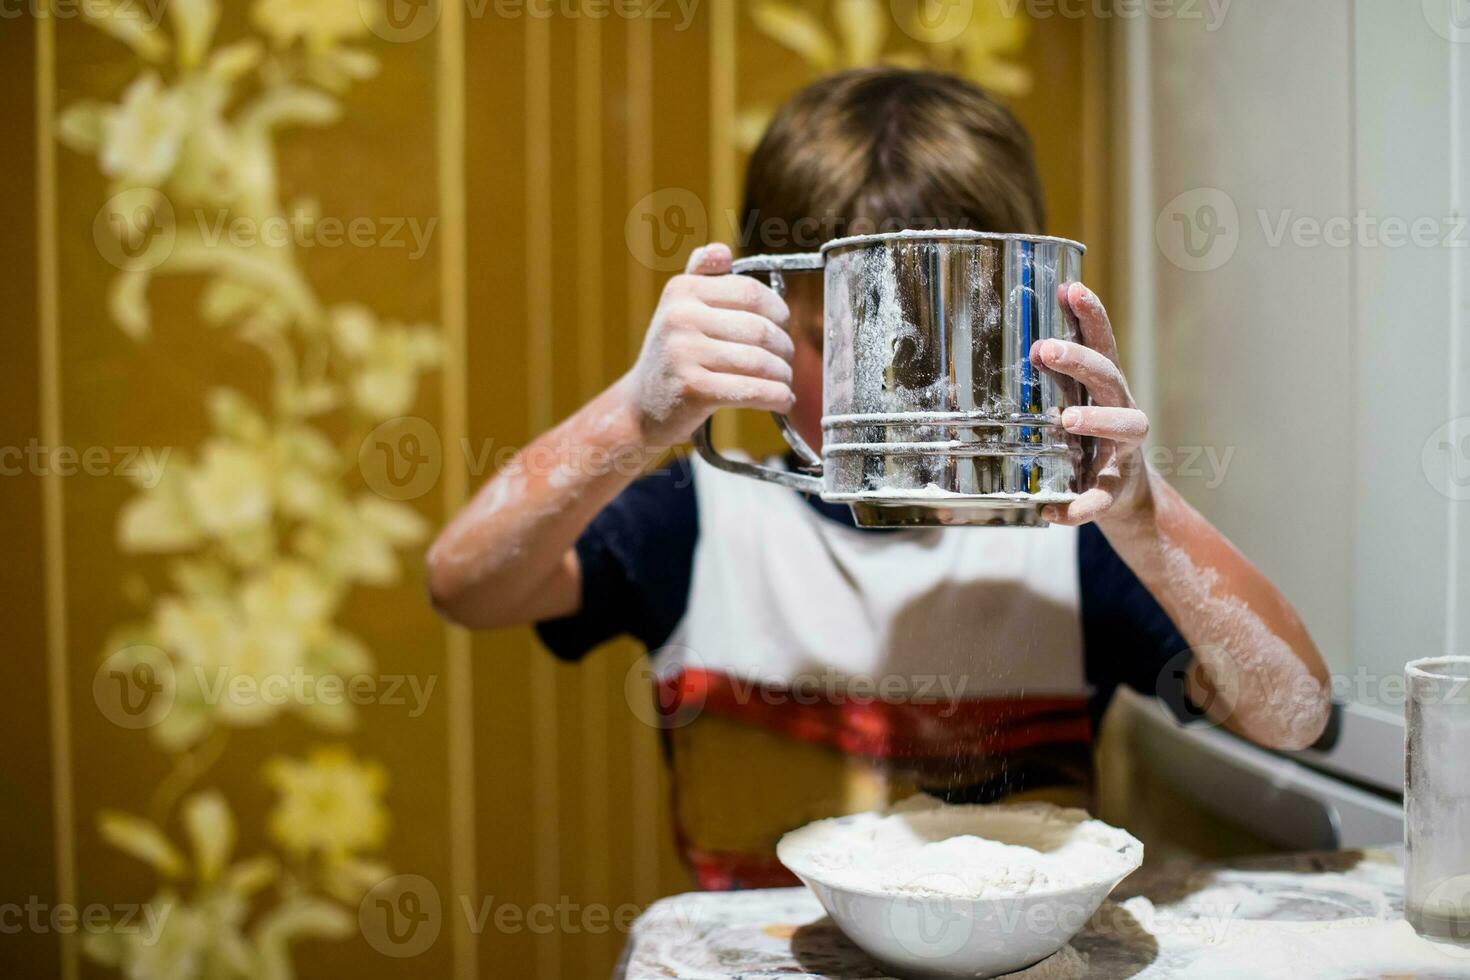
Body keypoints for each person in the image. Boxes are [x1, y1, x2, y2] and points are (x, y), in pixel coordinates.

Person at [427, 68, 1330, 890]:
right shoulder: (701, 521)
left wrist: (1139, 508)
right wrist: (634, 416)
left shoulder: (1071, 547)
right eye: (830, 342)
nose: (882, 391)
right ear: (767, 311)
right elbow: (465, 584)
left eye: (929, 352)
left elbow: (1292, 715)